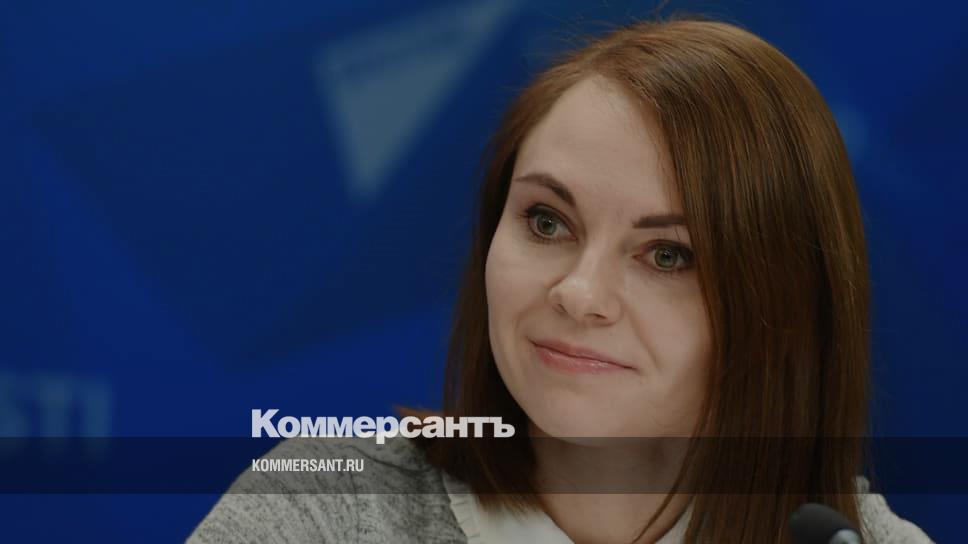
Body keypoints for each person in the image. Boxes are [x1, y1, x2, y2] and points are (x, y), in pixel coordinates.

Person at [188, 16, 934, 543]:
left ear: (786, 309)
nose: (578, 293)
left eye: (668, 256)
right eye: (547, 222)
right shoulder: (323, 510)